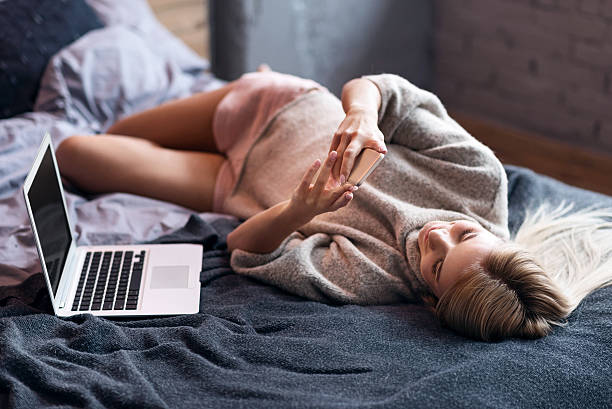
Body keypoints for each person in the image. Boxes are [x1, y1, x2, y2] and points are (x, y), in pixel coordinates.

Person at [56, 66, 612, 342]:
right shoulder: (477, 179)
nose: (434, 238)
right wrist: (362, 116)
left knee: (78, 154)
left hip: (232, 185)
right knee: (118, 126)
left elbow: (244, 250)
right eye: (465, 236)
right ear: (497, 235)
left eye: (437, 264)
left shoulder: (372, 278)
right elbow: (382, 87)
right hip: (275, 109)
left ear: (430, 298)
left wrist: (297, 212)